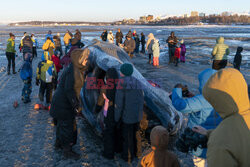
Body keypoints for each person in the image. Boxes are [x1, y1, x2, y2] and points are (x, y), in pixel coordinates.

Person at [193, 68, 250, 167]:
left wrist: (216, 136)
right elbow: (240, 139)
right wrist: (208, 133)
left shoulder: (220, 140)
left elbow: (227, 139)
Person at [171, 69, 222, 161]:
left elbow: (180, 105)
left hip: (199, 143)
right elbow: (205, 106)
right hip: (216, 142)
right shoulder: (222, 98)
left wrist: (177, 89)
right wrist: (194, 98)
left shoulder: (202, 100)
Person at [50, 48, 89, 159]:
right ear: (79, 59)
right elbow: (69, 90)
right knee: (67, 126)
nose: (87, 60)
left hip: (61, 102)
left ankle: (58, 144)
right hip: (63, 105)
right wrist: (76, 105)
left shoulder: (76, 67)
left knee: (61, 125)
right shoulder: (73, 71)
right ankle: (67, 151)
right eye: (85, 59)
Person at [115, 63, 144, 162]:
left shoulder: (121, 83)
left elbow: (119, 103)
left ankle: (128, 156)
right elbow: (141, 99)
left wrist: (116, 117)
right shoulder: (137, 81)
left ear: (123, 72)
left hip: (127, 116)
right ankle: (138, 153)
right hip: (137, 115)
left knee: (127, 137)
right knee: (136, 134)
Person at [102, 68, 121, 159]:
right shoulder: (120, 86)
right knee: (117, 130)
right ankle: (118, 149)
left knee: (108, 133)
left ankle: (108, 153)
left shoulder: (105, 87)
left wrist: (97, 108)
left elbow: (100, 100)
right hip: (118, 111)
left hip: (108, 112)